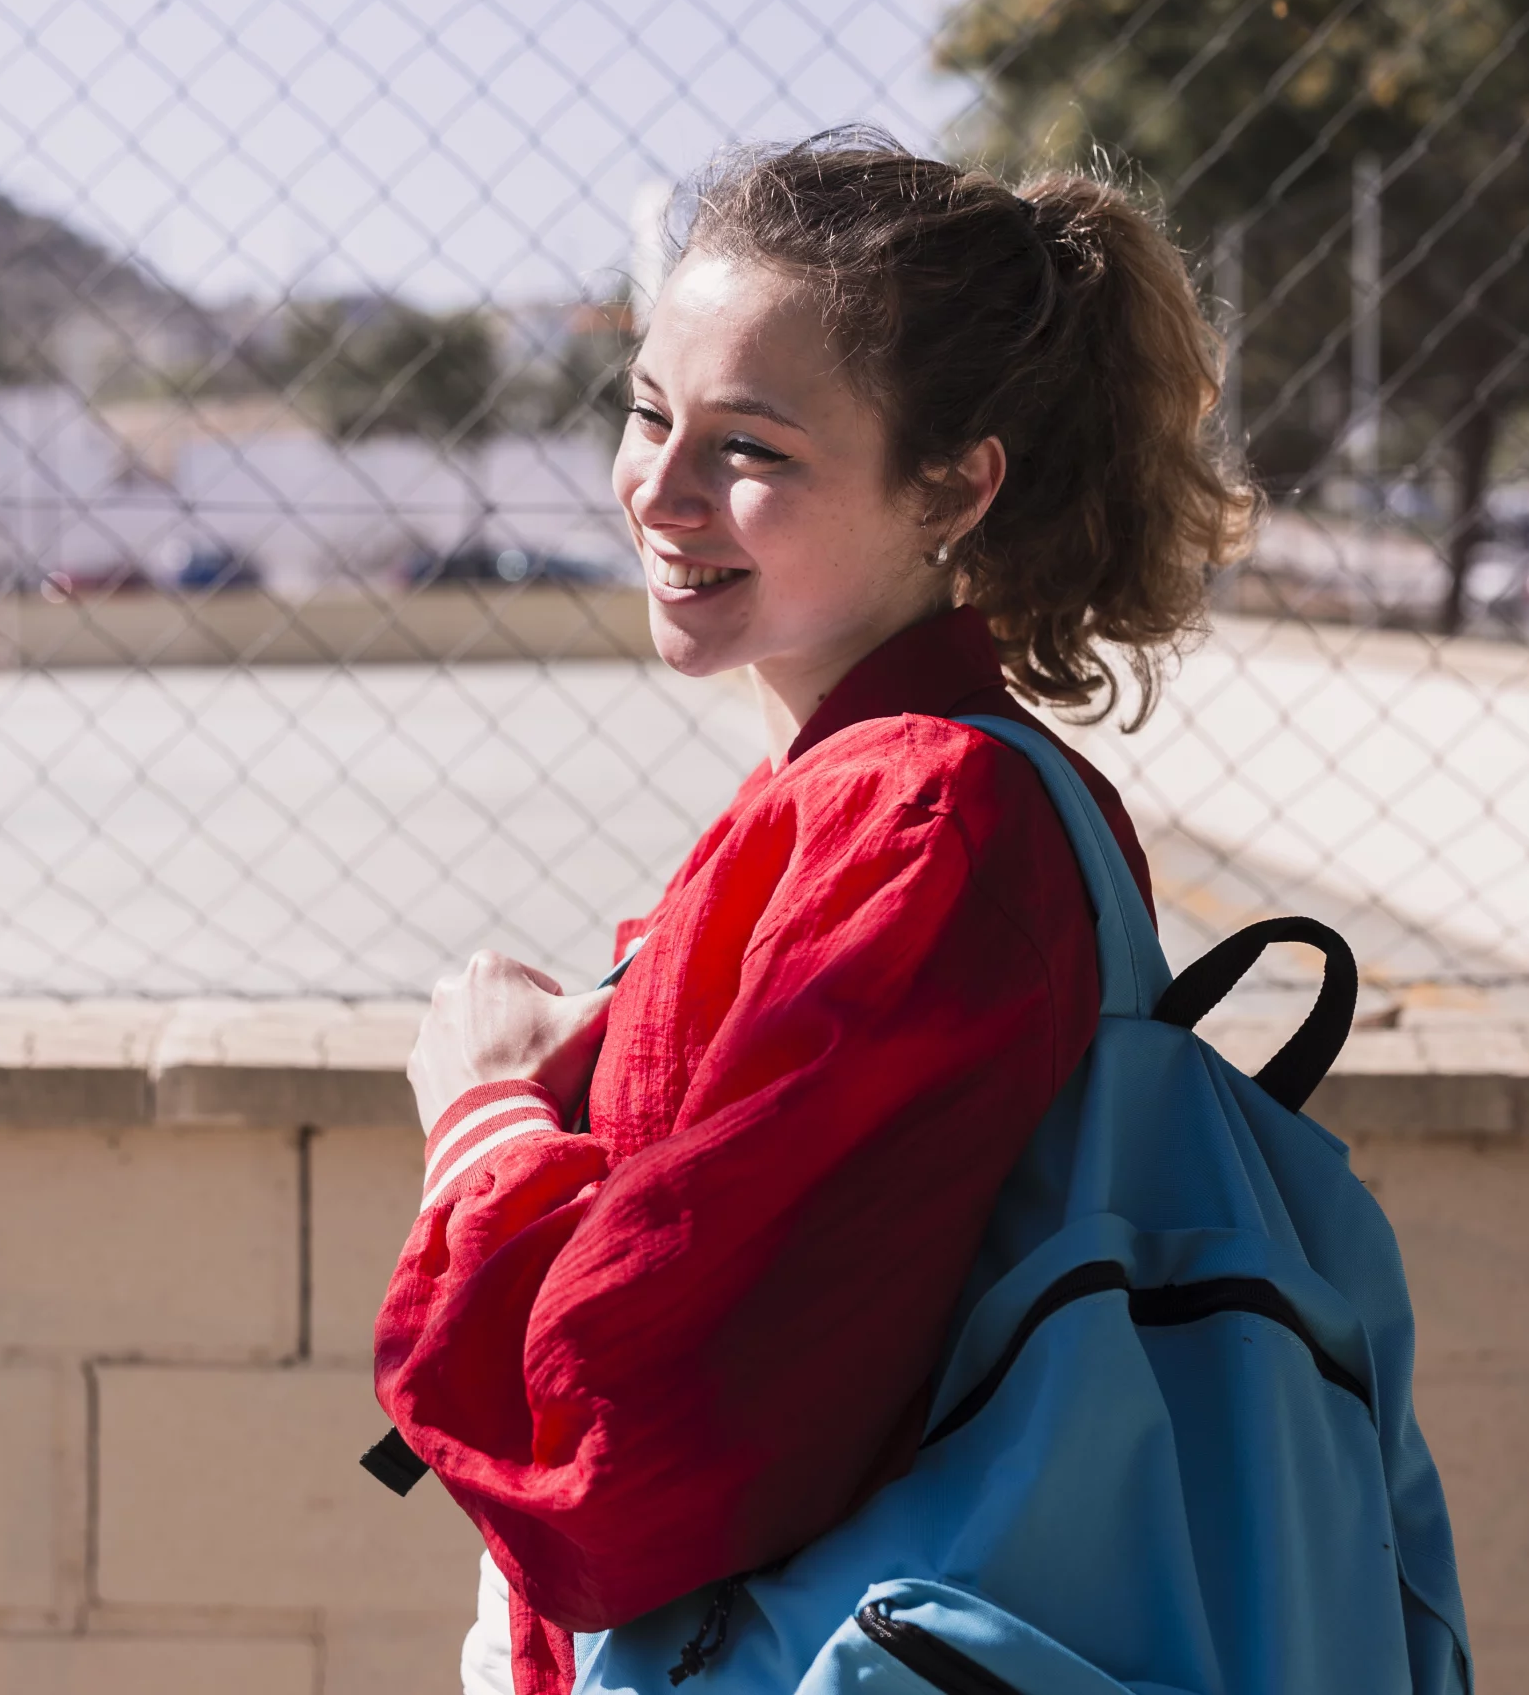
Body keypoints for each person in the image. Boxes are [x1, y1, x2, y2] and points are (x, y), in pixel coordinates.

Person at [371, 129, 1256, 1695]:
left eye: (753, 449)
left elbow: (634, 1447)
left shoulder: (923, 823)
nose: (663, 487)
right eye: (650, 413)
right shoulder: (859, 791)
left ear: (953, 488)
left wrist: (488, 1119)